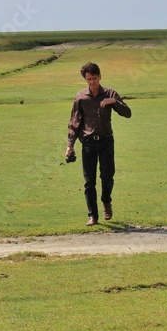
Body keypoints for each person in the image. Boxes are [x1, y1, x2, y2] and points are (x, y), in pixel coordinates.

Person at [66, 62, 132, 226]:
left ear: (100, 76)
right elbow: (74, 122)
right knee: (89, 181)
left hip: (106, 142)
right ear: (85, 79)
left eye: (94, 78)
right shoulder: (81, 97)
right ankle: (93, 216)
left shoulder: (110, 93)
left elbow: (128, 113)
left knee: (107, 177)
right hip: (88, 143)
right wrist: (70, 145)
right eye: (89, 79)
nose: (92, 82)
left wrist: (113, 102)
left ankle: (106, 201)